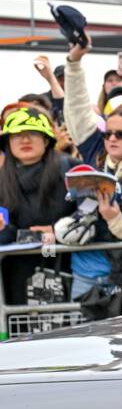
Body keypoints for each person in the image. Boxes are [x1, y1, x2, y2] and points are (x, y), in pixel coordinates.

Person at [59, 35, 122, 302]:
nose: (112, 138)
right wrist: (74, 61)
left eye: (120, 134)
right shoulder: (96, 152)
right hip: (86, 274)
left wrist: (114, 218)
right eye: (108, 133)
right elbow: (78, 108)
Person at [0, 106, 77, 307]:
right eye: (17, 135)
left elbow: (93, 214)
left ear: (46, 140)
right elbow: (6, 235)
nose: (25, 140)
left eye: (33, 133)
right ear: (8, 142)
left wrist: (57, 230)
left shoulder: (71, 169)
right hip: (17, 275)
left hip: (68, 268)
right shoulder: (1, 180)